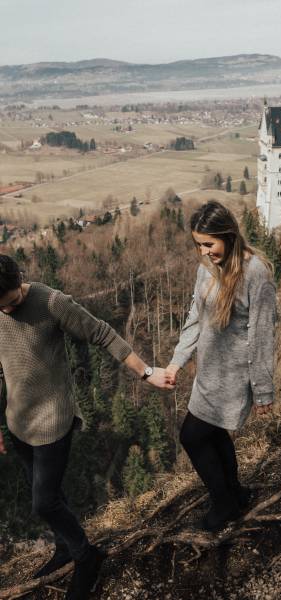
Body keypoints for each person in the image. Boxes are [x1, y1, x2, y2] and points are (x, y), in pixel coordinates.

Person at [0, 254, 174, 599]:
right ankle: (65, 548)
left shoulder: (51, 302)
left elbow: (103, 333)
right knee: (51, 496)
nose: (6, 311)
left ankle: (86, 556)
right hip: (18, 423)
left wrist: (146, 372)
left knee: (43, 502)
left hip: (53, 422)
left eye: (11, 302)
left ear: (19, 282)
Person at [166, 201, 276, 532]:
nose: (204, 251)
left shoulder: (256, 273)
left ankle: (224, 504)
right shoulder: (207, 267)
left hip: (234, 376)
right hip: (208, 373)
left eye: (209, 244)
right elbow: (195, 317)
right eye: (199, 244)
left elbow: (262, 335)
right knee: (214, 436)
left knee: (193, 436)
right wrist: (177, 361)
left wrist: (263, 390)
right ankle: (236, 495)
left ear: (228, 235)